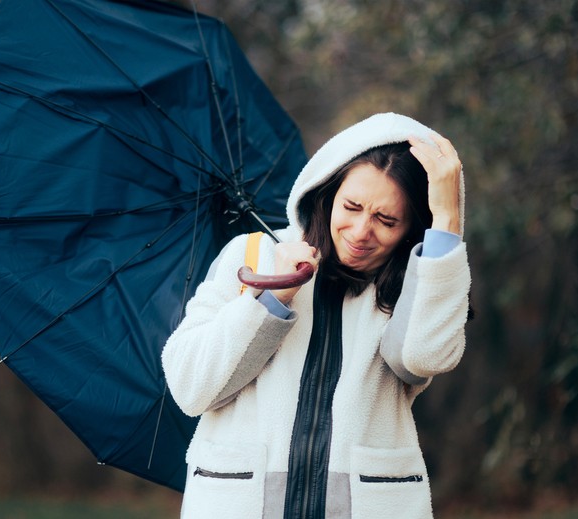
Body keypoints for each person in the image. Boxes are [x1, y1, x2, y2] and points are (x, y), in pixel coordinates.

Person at [162, 112, 471, 519]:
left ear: (413, 226)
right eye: (353, 206)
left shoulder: (417, 282)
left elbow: (424, 357)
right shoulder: (251, 255)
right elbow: (190, 385)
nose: (362, 231)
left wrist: (447, 222)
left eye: (386, 220)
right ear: (328, 191)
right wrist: (272, 297)